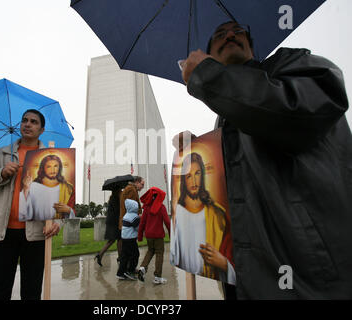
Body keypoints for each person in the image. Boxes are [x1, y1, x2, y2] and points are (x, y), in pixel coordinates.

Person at [180, 21, 352, 299]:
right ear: (209, 51)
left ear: (252, 46)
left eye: (238, 32)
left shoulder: (294, 63)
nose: (230, 36)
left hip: (308, 278)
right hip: (246, 280)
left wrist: (208, 77)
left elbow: (291, 115)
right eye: (220, 35)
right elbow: (229, 190)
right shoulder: (223, 116)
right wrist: (197, 150)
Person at [0, 109, 61, 300]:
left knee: (32, 291)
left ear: (41, 129)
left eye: (34, 122)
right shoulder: (0, 155)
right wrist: (2, 173)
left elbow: (60, 198)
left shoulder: (51, 158)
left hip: (36, 234)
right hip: (2, 233)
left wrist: (58, 222)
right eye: (24, 120)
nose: (28, 124)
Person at [170, 152, 234, 282]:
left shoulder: (217, 214)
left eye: (197, 174)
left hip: (212, 280)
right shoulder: (178, 213)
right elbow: (174, 256)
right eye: (188, 176)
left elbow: (231, 255)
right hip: (188, 277)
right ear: (183, 180)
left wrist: (224, 264)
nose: (193, 181)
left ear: (203, 175)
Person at [19, 154, 75, 221]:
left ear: (59, 168)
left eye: (56, 166)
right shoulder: (32, 186)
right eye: (48, 166)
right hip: (36, 226)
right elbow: (23, 213)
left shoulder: (68, 188)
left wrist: (68, 210)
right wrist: (26, 189)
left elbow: (73, 212)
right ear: (43, 168)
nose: (53, 170)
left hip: (57, 226)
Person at [137, 187, 170, 284]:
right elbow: (167, 222)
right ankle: (157, 277)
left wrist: (139, 236)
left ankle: (143, 267)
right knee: (159, 254)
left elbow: (142, 223)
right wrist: (172, 234)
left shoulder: (146, 207)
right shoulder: (162, 207)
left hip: (148, 235)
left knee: (150, 251)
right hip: (158, 235)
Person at [94, 188, 122, 266]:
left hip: (111, 222)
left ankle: (100, 255)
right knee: (119, 239)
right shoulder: (116, 199)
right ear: (117, 191)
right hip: (114, 223)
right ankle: (120, 258)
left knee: (112, 240)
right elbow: (118, 211)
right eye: (120, 190)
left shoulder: (112, 198)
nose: (121, 191)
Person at [116, 199, 140, 280]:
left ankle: (120, 273)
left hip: (124, 239)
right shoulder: (134, 217)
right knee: (135, 255)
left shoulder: (126, 215)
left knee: (124, 256)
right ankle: (130, 271)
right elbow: (137, 228)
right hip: (131, 240)